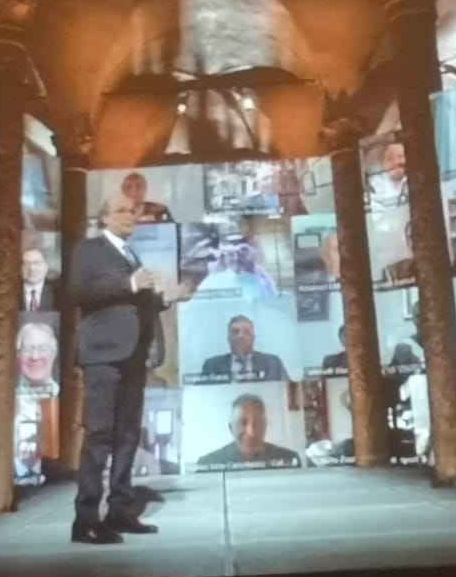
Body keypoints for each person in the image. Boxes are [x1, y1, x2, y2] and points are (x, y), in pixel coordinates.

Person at [70, 193, 189, 544]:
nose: (130, 216)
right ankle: (85, 519)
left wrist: (165, 298)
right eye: (122, 211)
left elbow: (133, 303)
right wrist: (131, 284)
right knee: (100, 435)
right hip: (103, 355)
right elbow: (78, 292)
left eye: (133, 211)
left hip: (133, 355)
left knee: (127, 435)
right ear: (104, 218)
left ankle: (120, 511)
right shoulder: (89, 250)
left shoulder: (130, 254)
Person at [195, 394, 304, 469]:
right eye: (242, 422)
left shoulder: (290, 459)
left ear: (265, 426)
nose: (251, 432)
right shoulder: (207, 463)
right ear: (231, 428)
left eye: (258, 423)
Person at [199, 315, 289, 381]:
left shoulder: (273, 363)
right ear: (228, 338)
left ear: (253, 338)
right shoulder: (211, 365)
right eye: (235, 332)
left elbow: (287, 390)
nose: (240, 336)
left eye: (246, 332)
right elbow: (200, 393)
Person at [15, 321, 58, 394]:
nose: (35, 357)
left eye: (43, 349)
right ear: (18, 354)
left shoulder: (65, 394)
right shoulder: (6, 394)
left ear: (54, 353)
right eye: (27, 349)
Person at [20, 247, 60, 312]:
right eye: (26, 264)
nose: (31, 268)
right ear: (20, 268)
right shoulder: (11, 291)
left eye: (37, 263)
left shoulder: (58, 291)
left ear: (46, 267)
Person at [381, 219, 418, 286]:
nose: (416, 240)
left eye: (419, 236)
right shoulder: (394, 271)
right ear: (407, 242)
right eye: (411, 237)